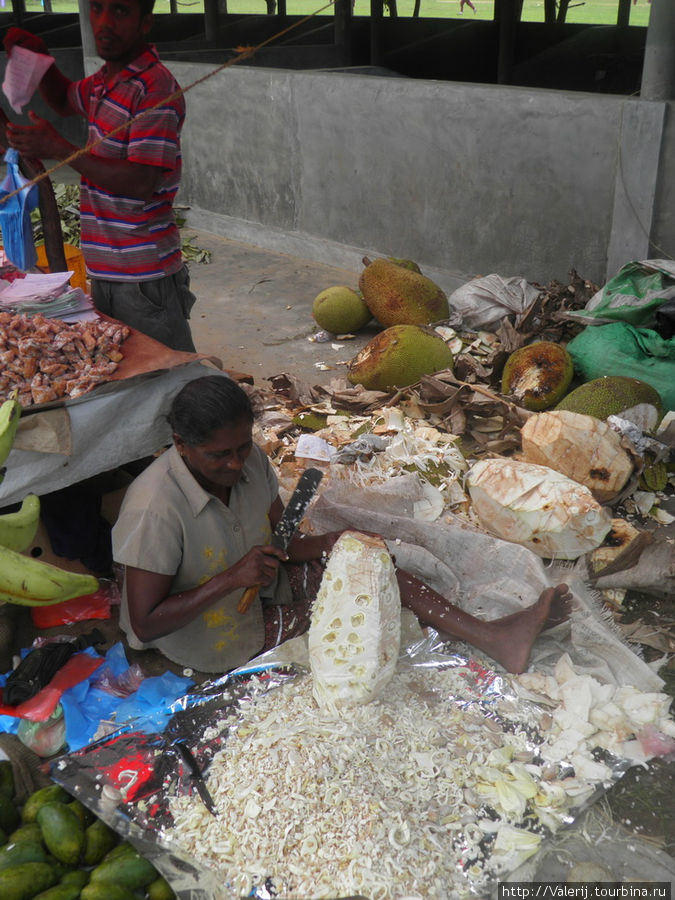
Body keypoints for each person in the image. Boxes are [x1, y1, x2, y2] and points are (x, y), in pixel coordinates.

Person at [112, 375, 571, 676]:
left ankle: (493, 636)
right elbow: (146, 622)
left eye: (241, 447)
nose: (236, 464)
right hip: (206, 633)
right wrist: (232, 579)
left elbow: (281, 542)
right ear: (181, 445)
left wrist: (337, 542)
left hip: (257, 581)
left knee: (372, 573)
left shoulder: (247, 464)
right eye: (219, 455)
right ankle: (489, 638)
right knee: (343, 618)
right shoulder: (154, 509)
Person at [2, 0, 196, 352]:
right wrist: (40, 56)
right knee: (124, 372)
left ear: (145, 21)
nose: (104, 22)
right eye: (98, 9)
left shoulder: (153, 88)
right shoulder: (105, 81)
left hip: (143, 277)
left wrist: (60, 148)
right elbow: (64, 99)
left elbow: (139, 182)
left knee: (169, 376)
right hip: (106, 269)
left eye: (120, 11)